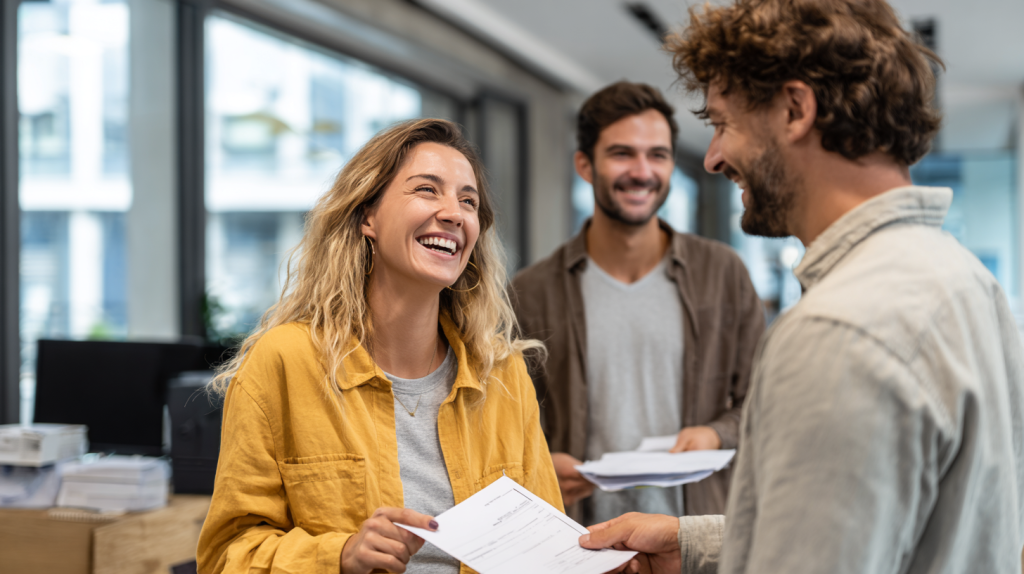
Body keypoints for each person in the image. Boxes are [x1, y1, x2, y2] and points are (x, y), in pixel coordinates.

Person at [579, 1, 1024, 573]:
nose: (713, 158)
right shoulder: (969, 284)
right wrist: (694, 544)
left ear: (794, 109)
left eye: (721, 124)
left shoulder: (839, 330)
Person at [196, 119, 562, 574]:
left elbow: (546, 550)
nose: (454, 212)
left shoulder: (503, 374)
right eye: (427, 190)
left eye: (468, 201)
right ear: (368, 216)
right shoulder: (284, 362)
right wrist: (340, 556)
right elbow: (225, 557)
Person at [512, 81, 765, 524]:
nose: (642, 171)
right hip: (581, 539)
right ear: (585, 165)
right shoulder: (531, 291)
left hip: (694, 540)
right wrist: (535, 462)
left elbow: (765, 400)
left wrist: (715, 433)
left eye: (658, 155)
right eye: (622, 153)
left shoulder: (723, 273)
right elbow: (503, 420)